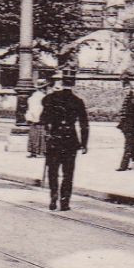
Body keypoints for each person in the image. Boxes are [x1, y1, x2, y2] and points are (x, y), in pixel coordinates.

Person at [38, 74, 89, 211]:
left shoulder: (50, 98)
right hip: (70, 141)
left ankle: (53, 195)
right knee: (68, 173)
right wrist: (84, 144)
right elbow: (84, 124)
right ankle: (65, 201)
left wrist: (48, 130)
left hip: (54, 139)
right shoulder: (78, 101)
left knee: (53, 170)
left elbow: (42, 119)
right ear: (73, 84)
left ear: (62, 82)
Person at [115, 77, 134, 171]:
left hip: (131, 126)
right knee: (132, 144)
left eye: (127, 88)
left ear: (131, 88)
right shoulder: (128, 98)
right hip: (126, 126)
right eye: (125, 89)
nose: (126, 90)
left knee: (128, 145)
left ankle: (123, 165)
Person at [25, 79, 49, 158]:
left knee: (33, 135)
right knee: (41, 134)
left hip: (32, 118)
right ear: (43, 88)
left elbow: (30, 108)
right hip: (40, 118)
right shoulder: (43, 97)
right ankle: (41, 152)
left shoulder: (32, 97)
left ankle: (33, 151)